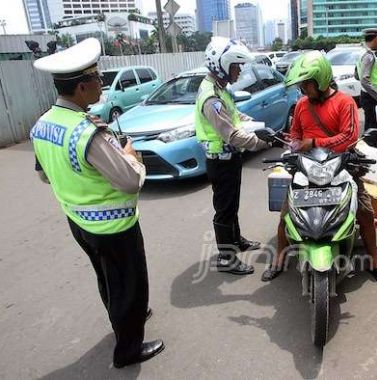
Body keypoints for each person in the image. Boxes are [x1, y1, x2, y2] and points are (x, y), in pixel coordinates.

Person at [30, 38, 164, 368]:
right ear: (81, 87)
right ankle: (128, 350)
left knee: (107, 278)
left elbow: (45, 175)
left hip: (78, 222)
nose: (101, 83)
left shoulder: (43, 124)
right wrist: (131, 155)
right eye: (96, 78)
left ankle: (125, 318)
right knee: (129, 284)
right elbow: (131, 181)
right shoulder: (88, 132)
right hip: (113, 226)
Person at [260, 51, 377, 287]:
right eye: (301, 84)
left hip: (341, 164)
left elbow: (348, 137)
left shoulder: (345, 102)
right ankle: (280, 256)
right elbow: (296, 135)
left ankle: (374, 260)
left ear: (321, 79)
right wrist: (291, 144)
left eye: (306, 84)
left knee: (364, 210)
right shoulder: (301, 105)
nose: (303, 89)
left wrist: (314, 142)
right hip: (308, 166)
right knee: (286, 213)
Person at [196, 37, 272, 275]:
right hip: (221, 161)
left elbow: (236, 116)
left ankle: (236, 240)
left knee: (233, 204)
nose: (239, 72)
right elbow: (231, 134)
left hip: (230, 159)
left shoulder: (220, 89)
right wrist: (260, 142)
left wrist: (260, 125)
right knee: (225, 208)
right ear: (222, 65)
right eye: (236, 67)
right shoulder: (211, 98)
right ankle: (226, 258)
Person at [357, 28, 377, 146]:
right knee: (373, 130)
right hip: (371, 98)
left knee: (370, 127)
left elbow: (357, 74)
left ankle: (368, 155)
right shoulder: (368, 56)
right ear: (375, 39)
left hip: (368, 96)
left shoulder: (362, 53)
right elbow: (364, 80)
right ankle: (372, 156)